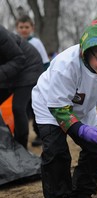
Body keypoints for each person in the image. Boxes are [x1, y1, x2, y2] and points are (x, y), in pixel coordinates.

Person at [31, 13, 97, 198]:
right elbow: (59, 107)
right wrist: (79, 130)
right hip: (50, 105)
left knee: (96, 149)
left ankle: (81, 197)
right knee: (56, 151)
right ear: (87, 50)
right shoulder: (66, 64)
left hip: (82, 108)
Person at [0, 24, 43, 149]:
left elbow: (19, 58)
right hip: (11, 70)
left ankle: (21, 147)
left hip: (29, 68)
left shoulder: (2, 35)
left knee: (18, 108)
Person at [16, 14, 50, 147]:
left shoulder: (36, 42)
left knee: (36, 108)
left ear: (32, 28)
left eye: (26, 27)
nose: (24, 29)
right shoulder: (15, 41)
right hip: (20, 82)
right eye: (21, 27)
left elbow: (46, 62)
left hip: (36, 81)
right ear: (17, 28)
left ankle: (39, 135)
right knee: (23, 109)